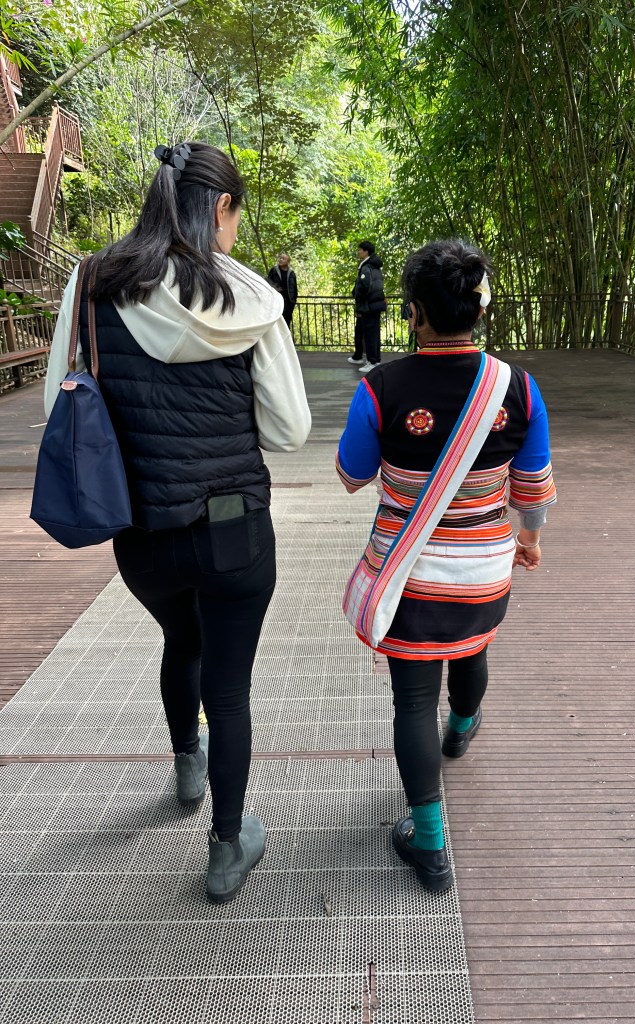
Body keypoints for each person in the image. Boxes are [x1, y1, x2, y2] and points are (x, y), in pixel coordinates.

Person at [43, 141, 311, 904]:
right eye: (235, 218)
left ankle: (186, 766)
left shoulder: (92, 280)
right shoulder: (252, 300)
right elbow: (290, 429)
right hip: (235, 530)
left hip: (144, 531)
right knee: (230, 685)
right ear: (220, 208)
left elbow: (67, 395)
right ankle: (227, 847)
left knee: (179, 638)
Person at [336, 240, 556, 892]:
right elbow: (533, 488)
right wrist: (532, 541)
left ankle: (428, 845)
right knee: (470, 646)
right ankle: (462, 728)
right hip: (485, 570)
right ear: (479, 309)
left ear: (413, 313)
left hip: (407, 576)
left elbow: (352, 475)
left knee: (411, 700)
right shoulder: (517, 388)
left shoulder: (382, 388)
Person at [349, 240, 386, 373]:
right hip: (375, 305)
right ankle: (376, 359)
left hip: (369, 306)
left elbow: (364, 286)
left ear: (366, 251)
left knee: (370, 333)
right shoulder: (375, 266)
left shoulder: (366, 268)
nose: (359, 252)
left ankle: (372, 361)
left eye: (360, 250)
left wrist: (358, 298)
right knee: (374, 333)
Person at [267, 252, 298, 327]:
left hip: (288, 303)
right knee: (276, 324)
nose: (280, 260)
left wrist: (293, 301)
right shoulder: (274, 271)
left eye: (283, 259)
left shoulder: (291, 273)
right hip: (276, 301)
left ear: (287, 262)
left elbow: (295, 289)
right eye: (280, 258)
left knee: (286, 324)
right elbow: (268, 284)